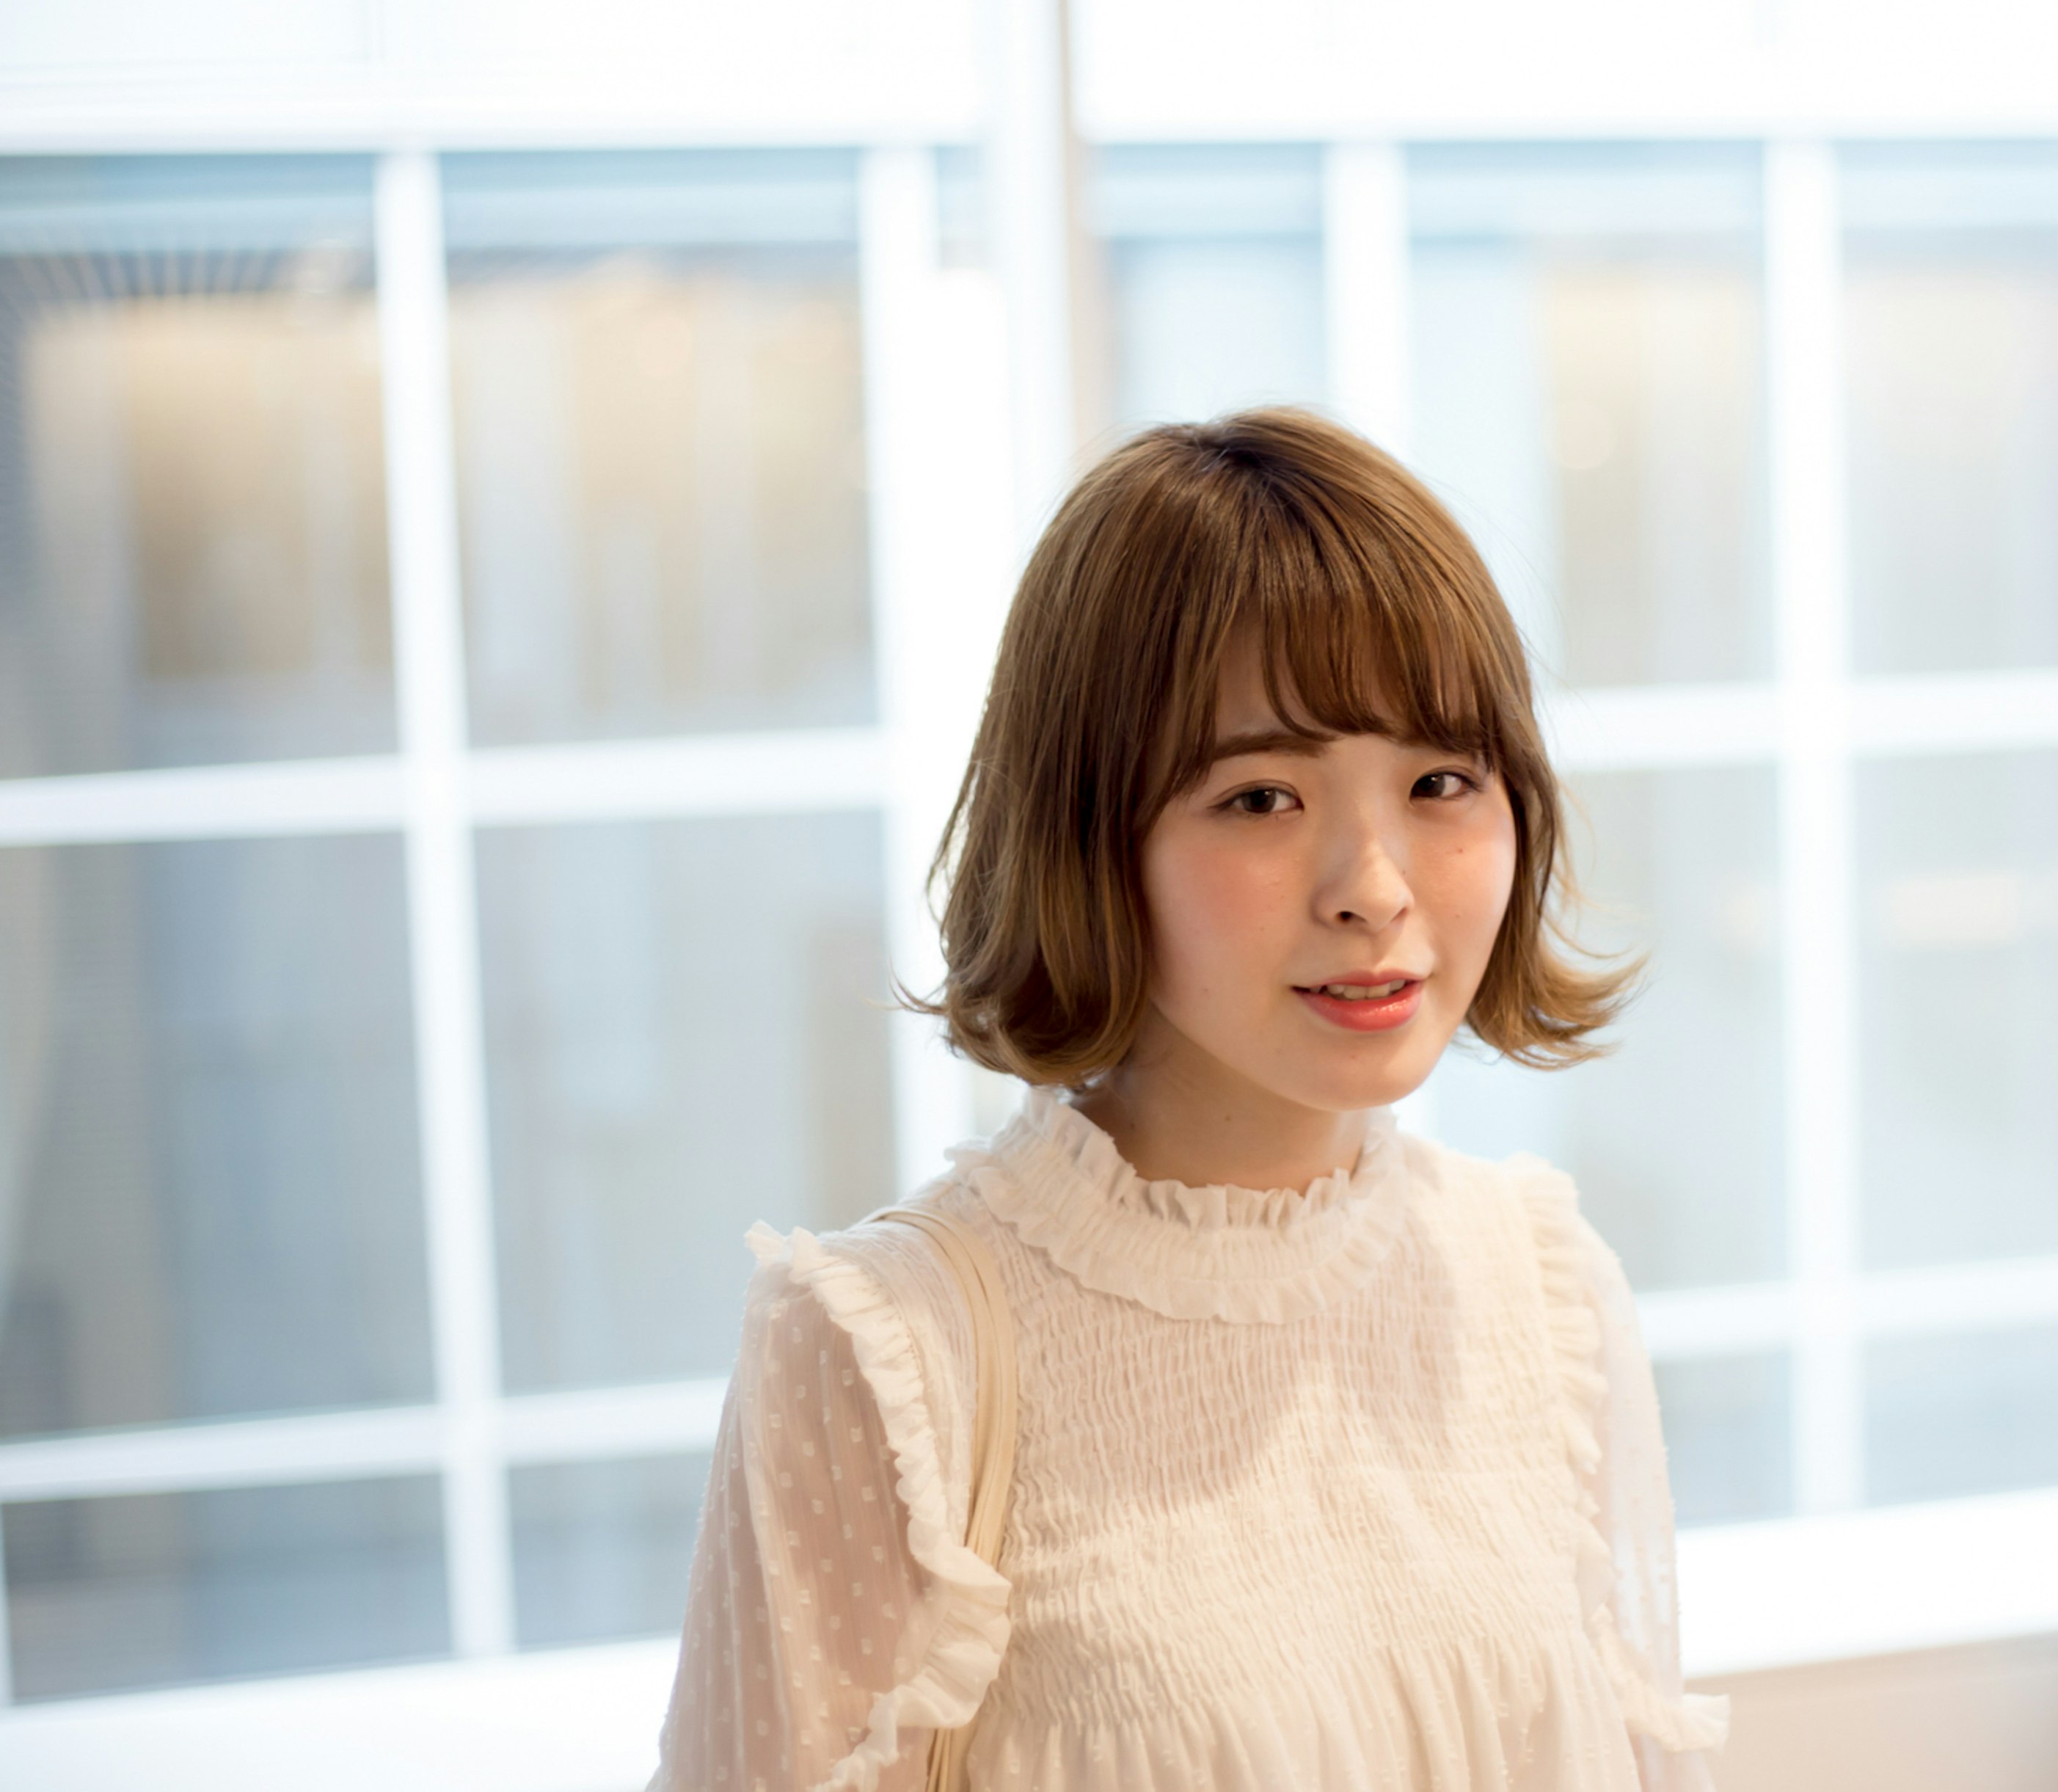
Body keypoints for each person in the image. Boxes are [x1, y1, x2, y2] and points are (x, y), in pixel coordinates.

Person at [646, 408, 1729, 1791]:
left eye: (1442, 781)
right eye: (1263, 797)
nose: (1376, 885)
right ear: (1091, 838)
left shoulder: (1544, 1291)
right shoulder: (886, 1352)